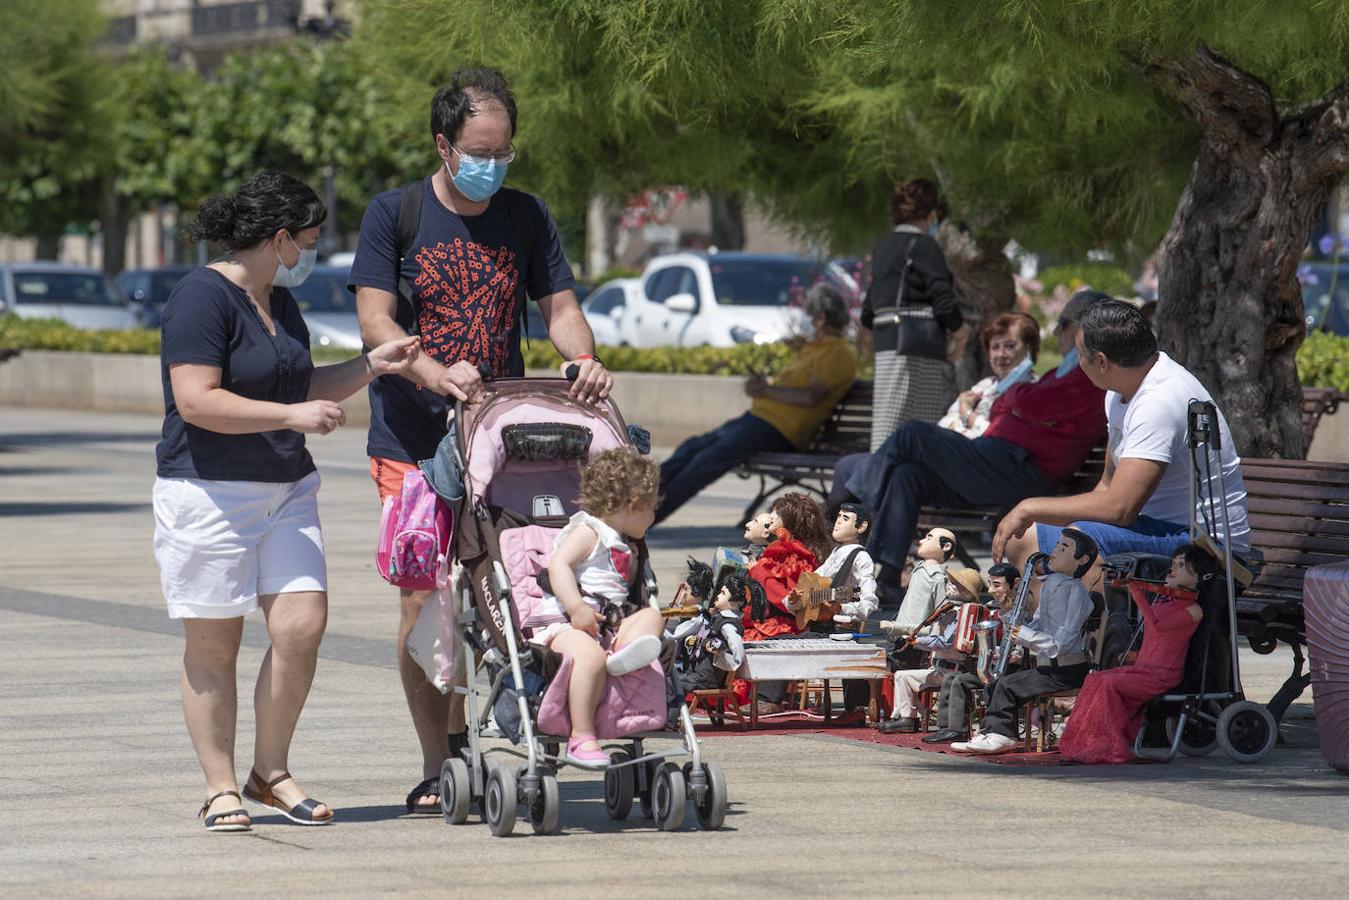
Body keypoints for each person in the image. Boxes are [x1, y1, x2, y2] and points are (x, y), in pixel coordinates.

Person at [349, 67, 613, 812]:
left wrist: (581, 360)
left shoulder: (524, 215)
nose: (490, 165)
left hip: (506, 441)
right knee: (423, 605)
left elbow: (558, 306)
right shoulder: (393, 214)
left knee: (505, 593)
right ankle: (443, 759)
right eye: (477, 150)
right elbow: (376, 321)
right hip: (410, 442)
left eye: (503, 152)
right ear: (444, 145)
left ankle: (526, 724)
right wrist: (432, 373)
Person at [154, 173, 421, 831]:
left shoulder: (278, 301)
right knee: (214, 645)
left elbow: (303, 383)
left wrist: (372, 365)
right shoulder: (201, 298)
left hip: (286, 489)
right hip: (208, 493)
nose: (308, 252)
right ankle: (221, 789)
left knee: (301, 626)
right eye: (304, 240)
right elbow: (197, 400)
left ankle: (269, 772)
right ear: (277, 239)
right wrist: (290, 415)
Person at [832, 290, 1110, 601]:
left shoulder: (1088, 374)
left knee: (914, 434)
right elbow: (1012, 404)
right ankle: (886, 578)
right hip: (996, 463)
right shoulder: (1063, 372)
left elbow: (1031, 401)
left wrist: (1018, 397)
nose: (1057, 331)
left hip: (1017, 470)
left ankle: (851, 512)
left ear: (1085, 325)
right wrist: (1018, 399)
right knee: (906, 475)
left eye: (1062, 322)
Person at [993, 299, 1252, 569]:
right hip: (1157, 531)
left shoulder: (1159, 401)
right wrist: (1061, 525)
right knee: (1023, 538)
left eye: (1079, 354)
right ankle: (1057, 610)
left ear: (1102, 362)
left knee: (1073, 545)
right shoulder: (1121, 390)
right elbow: (1107, 484)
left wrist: (1029, 507)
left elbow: (1120, 508)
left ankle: (1077, 610)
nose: (1077, 362)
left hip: (1208, 550)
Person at [655, 283, 857, 522]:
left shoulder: (839, 352)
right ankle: (637, 501)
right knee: (692, 447)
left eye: (808, 313)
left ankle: (649, 517)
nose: (804, 318)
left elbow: (810, 396)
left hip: (781, 431)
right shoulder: (812, 349)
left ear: (821, 318)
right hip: (760, 421)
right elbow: (790, 389)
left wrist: (767, 390)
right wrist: (761, 389)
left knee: (706, 460)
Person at [535, 449, 665, 766]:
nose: (653, 517)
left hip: (608, 627)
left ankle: (623, 654)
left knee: (652, 616)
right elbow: (558, 566)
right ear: (634, 505)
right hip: (565, 623)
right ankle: (581, 735)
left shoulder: (621, 540)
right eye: (651, 509)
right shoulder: (588, 531)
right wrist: (577, 607)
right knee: (590, 657)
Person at [1058, 544, 1213, 764]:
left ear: (1198, 577)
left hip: (1162, 674)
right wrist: (1137, 655)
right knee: (1094, 678)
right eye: (1173, 563)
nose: (1173, 569)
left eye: (1182, 566)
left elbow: (1158, 626)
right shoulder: (1166, 598)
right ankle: (1081, 742)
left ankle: (1107, 744)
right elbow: (1157, 640)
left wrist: (1135, 591)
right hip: (1144, 668)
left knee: (1108, 685)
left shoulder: (1194, 610)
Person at [953, 528, 1098, 754]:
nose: (1054, 551)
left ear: (1082, 559)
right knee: (996, 681)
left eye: (1063, 548)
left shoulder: (1076, 592)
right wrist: (1014, 621)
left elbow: (1062, 644)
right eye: (1057, 545)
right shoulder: (1051, 585)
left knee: (1009, 686)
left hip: (1067, 669)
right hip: (1048, 668)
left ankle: (1004, 736)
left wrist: (1023, 635)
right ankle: (991, 730)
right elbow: (1039, 624)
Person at [862, 178, 969, 449]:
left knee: (888, 431)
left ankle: (883, 484)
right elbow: (942, 298)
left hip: (888, 346)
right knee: (920, 433)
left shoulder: (884, 247)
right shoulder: (923, 245)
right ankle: (888, 486)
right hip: (918, 350)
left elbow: (869, 305)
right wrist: (961, 332)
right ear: (931, 213)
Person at [879, 568, 985, 734]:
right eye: (951, 583)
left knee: (906, 676)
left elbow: (944, 643)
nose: (950, 587)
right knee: (902, 676)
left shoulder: (962, 614)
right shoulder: (949, 610)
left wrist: (917, 642)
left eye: (957, 585)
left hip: (952, 670)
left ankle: (919, 717)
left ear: (967, 591)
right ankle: (907, 718)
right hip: (939, 668)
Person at [936, 312, 1040, 437]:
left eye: (1009, 346)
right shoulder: (986, 385)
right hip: (962, 450)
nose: (1001, 354)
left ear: (1028, 349)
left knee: (913, 431)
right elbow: (945, 423)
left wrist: (967, 414)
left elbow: (1000, 437)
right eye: (995, 347)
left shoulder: (1034, 390)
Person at [672, 572, 764, 696]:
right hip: (698, 674)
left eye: (723, 593)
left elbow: (737, 652)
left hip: (705, 679)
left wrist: (721, 654)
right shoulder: (719, 619)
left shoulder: (728, 625)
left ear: (736, 603)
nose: (718, 596)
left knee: (668, 681)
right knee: (667, 676)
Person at [879, 527, 956, 634]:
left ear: (946, 546)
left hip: (916, 640)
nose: (921, 541)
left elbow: (942, 618)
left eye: (929, 538)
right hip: (900, 634)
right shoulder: (919, 569)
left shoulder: (938, 578)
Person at [814, 502, 879, 627]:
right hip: (820, 622)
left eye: (845, 518)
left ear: (861, 527)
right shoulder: (836, 552)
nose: (838, 522)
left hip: (841, 627)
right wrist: (800, 594)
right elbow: (815, 578)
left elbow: (869, 602)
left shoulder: (861, 557)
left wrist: (842, 608)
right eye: (838, 517)